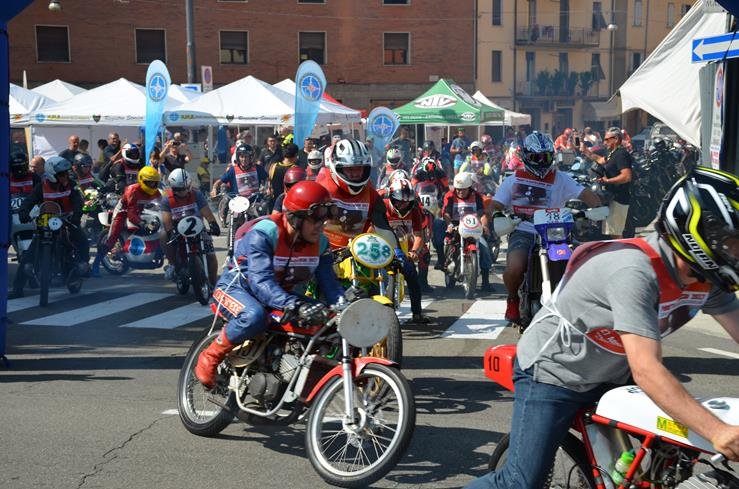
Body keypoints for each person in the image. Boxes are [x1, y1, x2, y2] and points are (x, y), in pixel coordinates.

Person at [465, 167, 739, 488]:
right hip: (554, 373)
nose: (737, 252)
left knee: (673, 455)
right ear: (697, 232)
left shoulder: (706, 280)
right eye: (733, 242)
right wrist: (718, 432)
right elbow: (647, 370)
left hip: (612, 374)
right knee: (520, 482)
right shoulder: (635, 271)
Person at [194, 181, 346, 389]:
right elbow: (260, 281)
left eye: (325, 219)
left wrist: (344, 305)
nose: (322, 225)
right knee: (254, 316)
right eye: (315, 219)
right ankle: (210, 356)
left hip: (280, 295)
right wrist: (293, 304)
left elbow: (330, 284)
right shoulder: (265, 233)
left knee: (329, 323)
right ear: (295, 217)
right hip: (238, 289)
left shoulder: (321, 244)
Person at [492, 132, 601, 322]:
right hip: (524, 230)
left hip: (556, 233)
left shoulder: (561, 178)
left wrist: (597, 206)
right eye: (537, 158)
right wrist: (497, 214)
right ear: (526, 156)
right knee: (515, 267)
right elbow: (495, 204)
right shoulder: (514, 179)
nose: (542, 162)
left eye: (546, 157)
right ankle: (512, 299)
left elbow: (585, 194)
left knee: (576, 265)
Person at [319, 138, 429, 323]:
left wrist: (397, 252)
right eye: (350, 169)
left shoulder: (371, 194)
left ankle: (415, 312)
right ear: (336, 167)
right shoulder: (321, 189)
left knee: (400, 272)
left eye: (359, 168)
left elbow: (382, 226)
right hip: (323, 252)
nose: (355, 174)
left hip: (358, 250)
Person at [12, 157, 90, 297]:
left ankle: (83, 268)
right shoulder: (41, 187)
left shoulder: (71, 185)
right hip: (46, 221)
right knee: (29, 255)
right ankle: (17, 289)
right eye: (61, 174)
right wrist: (23, 212)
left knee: (82, 241)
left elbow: (78, 202)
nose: (65, 176)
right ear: (51, 174)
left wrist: (77, 216)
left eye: (65, 173)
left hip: (66, 219)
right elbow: (29, 201)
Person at [91, 166, 161, 276]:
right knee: (112, 238)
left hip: (141, 212)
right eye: (149, 182)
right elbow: (131, 214)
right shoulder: (132, 190)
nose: (152, 185)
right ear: (142, 180)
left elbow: (162, 204)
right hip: (123, 213)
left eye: (154, 182)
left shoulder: (156, 192)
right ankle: (95, 265)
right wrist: (142, 223)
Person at [161, 169, 220, 284]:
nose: (181, 192)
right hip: (177, 229)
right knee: (163, 235)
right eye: (177, 189)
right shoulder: (166, 199)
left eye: (184, 188)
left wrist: (213, 224)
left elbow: (207, 212)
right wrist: (170, 232)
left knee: (211, 256)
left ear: (189, 185)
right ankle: (172, 264)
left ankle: (213, 285)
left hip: (198, 228)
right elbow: (166, 220)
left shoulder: (197, 194)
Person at [441, 172, 495, 292]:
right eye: (458, 189)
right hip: (456, 227)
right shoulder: (450, 196)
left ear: (469, 187)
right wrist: (449, 224)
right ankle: (447, 267)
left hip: (474, 227)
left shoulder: (477, 196)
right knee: (446, 243)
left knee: (485, 248)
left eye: (463, 189)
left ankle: (485, 282)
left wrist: (485, 226)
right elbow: (446, 213)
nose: (460, 192)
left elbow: (482, 213)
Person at [384, 178, 434, 299]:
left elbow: (418, 236)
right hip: (385, 244)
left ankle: (421, 289)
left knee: (423, 256)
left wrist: (414, 251)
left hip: (407, 243)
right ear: (392, 198)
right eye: (399, 202)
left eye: (407, 202)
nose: (403, 205)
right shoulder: (382, 206)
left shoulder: (415, 210)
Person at [580, 127, 632, 238]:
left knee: (615, 235)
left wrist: (607, 181)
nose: (604, 142)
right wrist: (584, 148)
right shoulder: (612, 154)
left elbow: (626, 176)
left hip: (618, 199)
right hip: (611, 198)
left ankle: (621, 249)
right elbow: (599, 159)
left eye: (607, 139)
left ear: (616, 139)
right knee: (612, 233)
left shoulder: (621, 154)